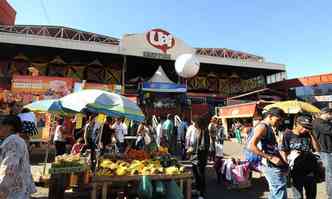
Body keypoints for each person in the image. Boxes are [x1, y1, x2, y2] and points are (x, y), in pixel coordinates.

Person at [249, 107, 288, 199]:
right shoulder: (262, 127)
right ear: (270, 116)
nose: (279, 123)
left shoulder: (269, 127)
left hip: (273, 163)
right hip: (269, 164)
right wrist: (270, 157)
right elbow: (251, 146)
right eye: (278, 120)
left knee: (275, 190)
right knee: (279, 190)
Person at [280, 115, 321, 199]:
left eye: (308, 127)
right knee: (298, 196)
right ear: (296, 124)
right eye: (304, 126)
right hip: (295, 170)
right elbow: (284, 150)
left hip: (310, 170)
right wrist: (286, 164)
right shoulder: (288, 134)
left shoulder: (308, 134)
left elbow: (317, 149)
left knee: (311, 195)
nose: (305, 129)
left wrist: (312, 134)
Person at [0, 115, 36, 198]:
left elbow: (9, 168)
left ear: (9, 127)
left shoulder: (12, 141)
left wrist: (1, 189)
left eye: (1, 125)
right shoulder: (18, 140)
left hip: (12, 192)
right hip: (20, 189)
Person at [187, 116, 210, 199]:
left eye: (195, 123)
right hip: (194, 156)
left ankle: (201, 193)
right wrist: (191, 148)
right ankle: (197, 188)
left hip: (200, 157)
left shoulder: (204, 131)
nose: (194, 125)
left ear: (199, 123)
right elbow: (194, 142)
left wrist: (193, 149)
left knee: (201, 175)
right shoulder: (197, 131)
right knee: (195, 173)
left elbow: (204, 146)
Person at [313, 107, 332, 198]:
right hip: (326, 151)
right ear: (327, 113)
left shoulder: (325, 122)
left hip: (328, 150)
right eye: (331, 115)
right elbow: (329, 130)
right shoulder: (318, 122)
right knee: (330, 175)